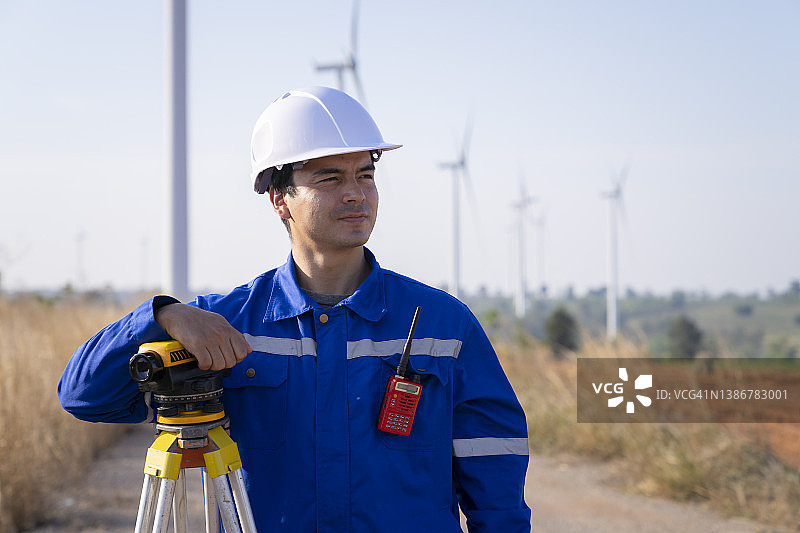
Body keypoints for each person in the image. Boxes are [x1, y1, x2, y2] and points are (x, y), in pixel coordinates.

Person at [58, 86, 531, 532]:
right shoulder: (224, 323)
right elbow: (83, 395)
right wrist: (160, 315)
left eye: (365, 175)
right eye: (329, 177)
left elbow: (495, 469)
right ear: (279, 199)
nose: (356, 193)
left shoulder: (443, 325)